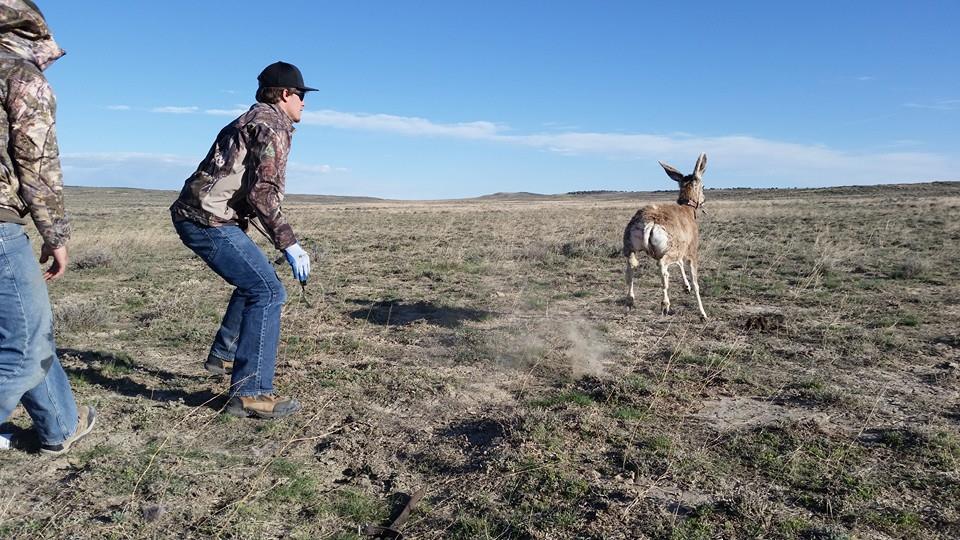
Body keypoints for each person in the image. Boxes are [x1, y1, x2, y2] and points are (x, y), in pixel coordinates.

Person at [170, 61, 316, 419]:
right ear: (285, 94)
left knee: (257, 281)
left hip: (203, 216)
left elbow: (246, 190)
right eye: (300, 95)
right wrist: (290, 244)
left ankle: (224, 352)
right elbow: (263, 195)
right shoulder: (272, 126)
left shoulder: (251, 119)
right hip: (207, 221)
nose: (303, 103)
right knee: (267, 291)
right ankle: (250, 393)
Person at [0, 0, 96, 455]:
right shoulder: (21, 76)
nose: (52, 61)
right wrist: (55, 235)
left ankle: (60, 425)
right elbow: (36, 164)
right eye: (50, 51)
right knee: (22, 343)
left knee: (23, 328)